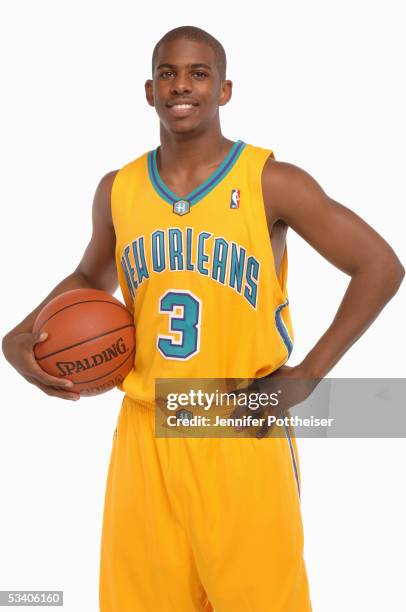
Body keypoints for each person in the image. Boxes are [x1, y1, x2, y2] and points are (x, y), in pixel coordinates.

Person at [2, 24, 404, 612]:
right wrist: (21, 335)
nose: (181, 85)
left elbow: (380, 266)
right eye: (167, 73)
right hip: (146, 427)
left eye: (198, 73)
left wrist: (310, 374)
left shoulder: (272, 181)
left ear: (224, 90)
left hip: (239, 421)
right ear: (148, 90)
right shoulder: (119, 189)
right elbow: (91, 279)